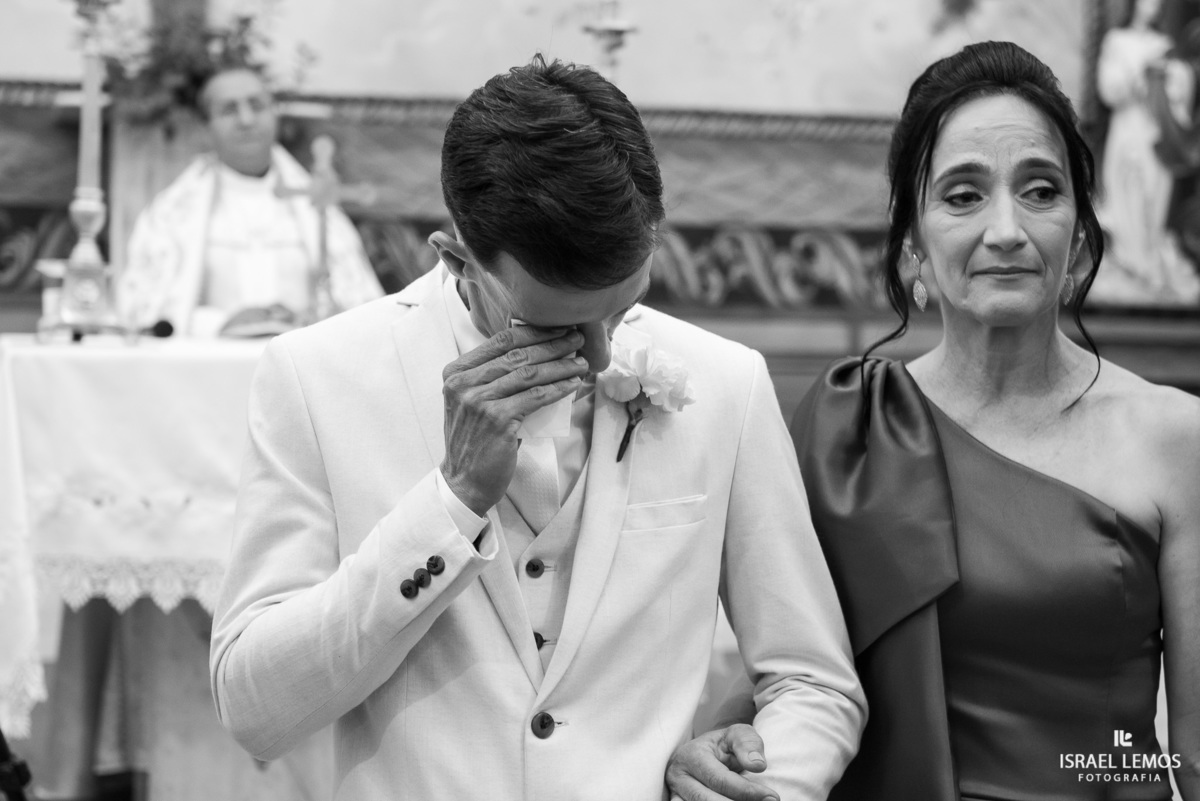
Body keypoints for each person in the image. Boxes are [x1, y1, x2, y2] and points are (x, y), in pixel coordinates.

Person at [209, 56, 865, 799]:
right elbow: (254, 709)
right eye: (552, 322)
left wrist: (750, 778)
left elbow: (814, 681)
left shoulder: (727, 385)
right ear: (456, 256)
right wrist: (450, 505)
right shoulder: (315, 378)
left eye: (621, 307)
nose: (600, 353)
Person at [667, 41, 1200, 801]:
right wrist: (712, 751)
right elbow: (783, 675)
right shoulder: (847, 427)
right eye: (963, 195)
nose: (1007, 229)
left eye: (1041, 191)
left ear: (1079, 238)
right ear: (913, 247)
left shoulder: (1179, 440)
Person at [118, 66, 383, 337]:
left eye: (257, 106)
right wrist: (219, 324)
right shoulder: (171, 215)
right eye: (229, 110)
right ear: (206, 126)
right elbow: (146, 313)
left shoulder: (315, 204)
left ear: (274, 114)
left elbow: (358, 309)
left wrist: (307, 319)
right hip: (211, 367)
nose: (246, 119)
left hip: (302, 366)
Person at [1090, 0, 1200, 305]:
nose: (1153, 6)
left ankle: (1149, 264)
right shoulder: (1117, 40)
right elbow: (1108, 89)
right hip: (1128, 131)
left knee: (1154, 195)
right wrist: (1140, 71)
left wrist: (1173, 76)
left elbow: (1181, 86)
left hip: (1155, 131)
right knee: (1127, 193)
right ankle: (1129, 264)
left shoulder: (1163, 44)